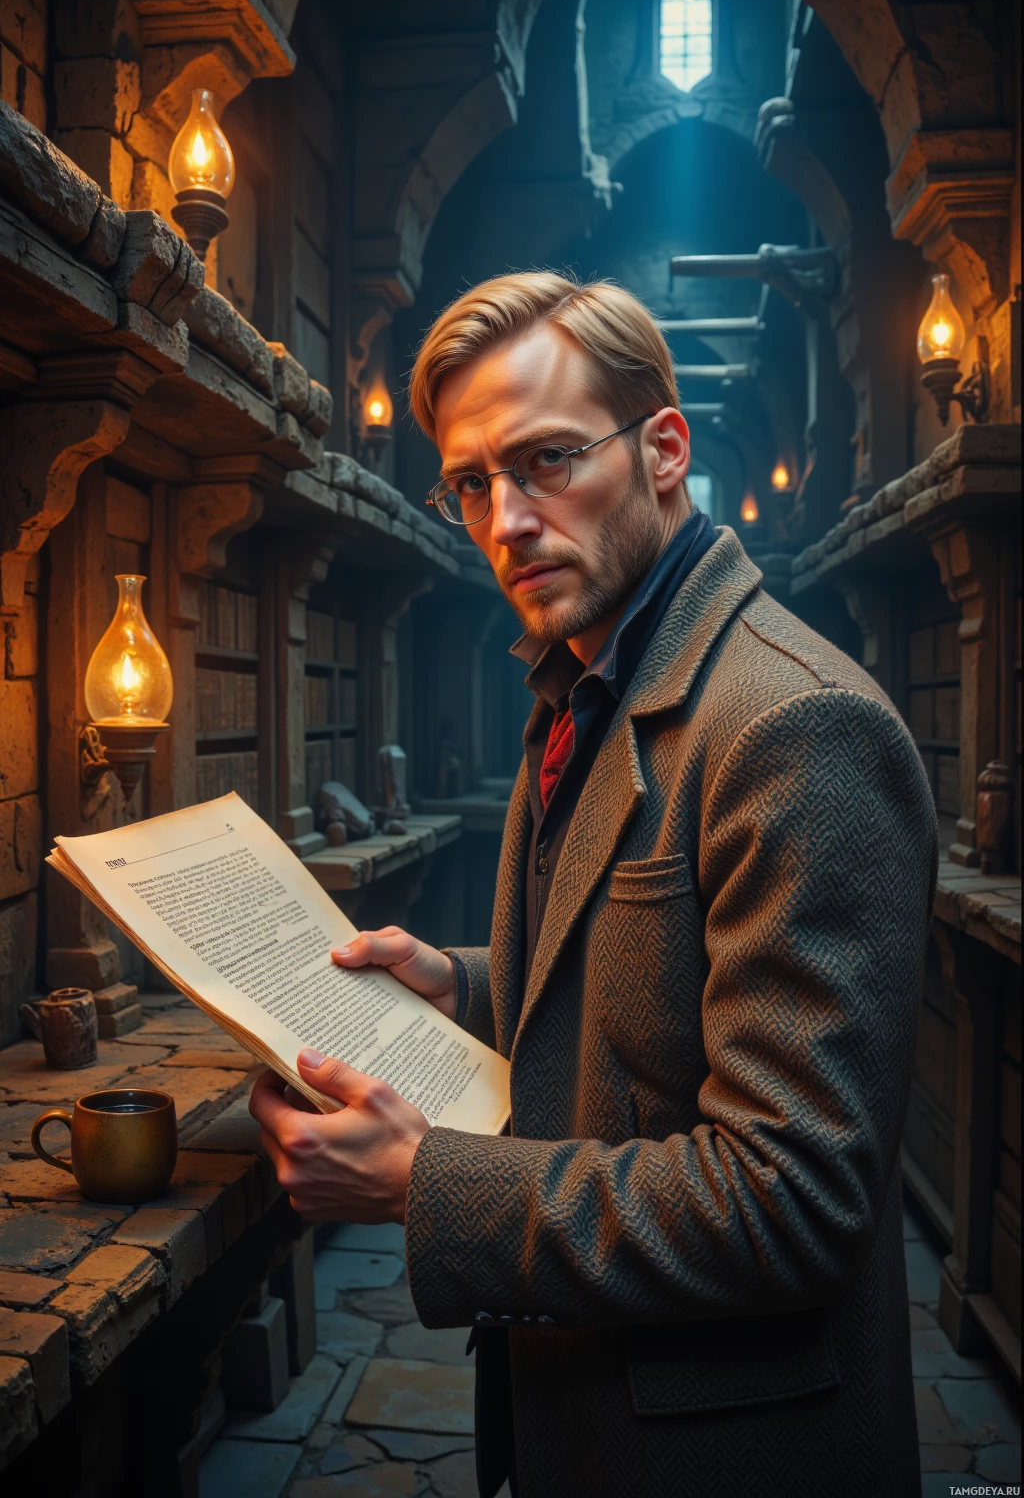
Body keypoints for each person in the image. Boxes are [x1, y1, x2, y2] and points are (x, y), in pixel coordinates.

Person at [250, 273, 937, 1498]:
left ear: (663, 450)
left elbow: (793, 1199)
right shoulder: (586, 677)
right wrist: (459, 983)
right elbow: (654, 977)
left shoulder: (796, 724)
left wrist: (425, 1185)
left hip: (725, 1451)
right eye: (470, 483)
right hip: (588, 1411)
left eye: (548, 460)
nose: (506, 518)